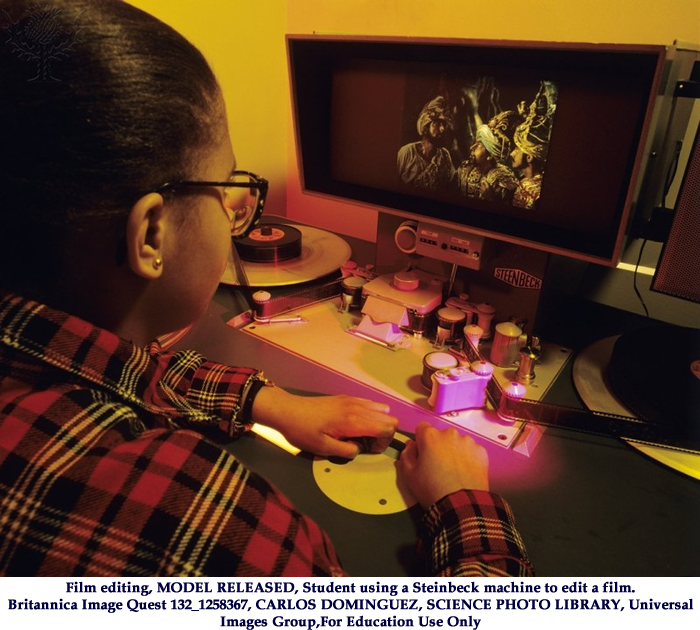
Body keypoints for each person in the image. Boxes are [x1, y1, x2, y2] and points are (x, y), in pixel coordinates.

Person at [0, 0, 533, 577]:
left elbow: (106, 365)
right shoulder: (205, 520)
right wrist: (465, 505)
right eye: (226, 183)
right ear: (151, 234)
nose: (237, 205)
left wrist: (267, 400)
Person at [511, 81, 557, 209]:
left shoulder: (537, 195)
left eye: (516, 149)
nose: (511, 153)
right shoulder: (523, 180)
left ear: (529, 157)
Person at [397, 96, 456, 190]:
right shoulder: (407, 152)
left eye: (444, 124)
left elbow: (452, 185)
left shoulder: (444, 156)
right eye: (437, 123)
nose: (442, 129)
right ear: (426, 126)